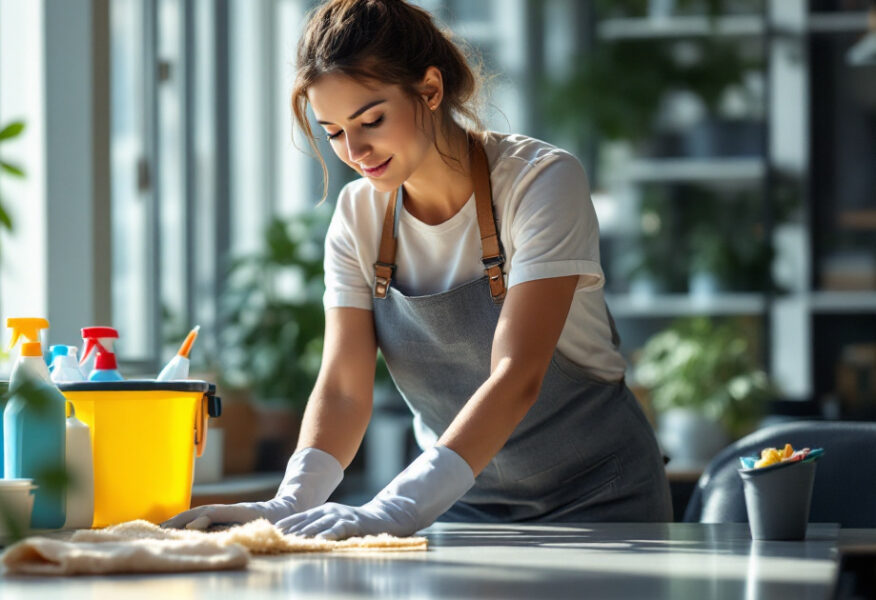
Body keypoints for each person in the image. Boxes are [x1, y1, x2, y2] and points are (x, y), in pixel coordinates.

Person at [164, 0, 672, 539]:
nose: (355, 151)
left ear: (430, 90)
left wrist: (395, 509)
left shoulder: (540, 183)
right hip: (462, 506)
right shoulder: (359, 215)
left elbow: (517, 374)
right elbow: (342, 388)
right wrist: (287, 503)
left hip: (601, 502)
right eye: (334, 131)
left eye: (371, 120)